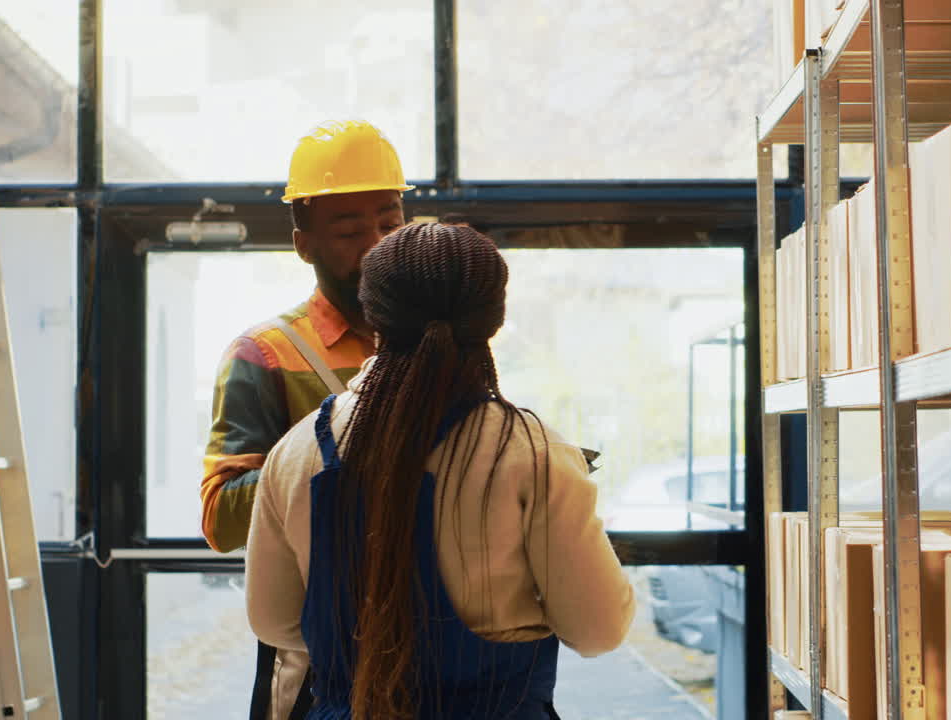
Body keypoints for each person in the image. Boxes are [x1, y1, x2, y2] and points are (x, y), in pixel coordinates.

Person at [245, 223, 635, 719]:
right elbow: (599, 629)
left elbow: (275, 621)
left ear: (374, 315)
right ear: (492, 320)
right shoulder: (532, 452)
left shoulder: (297, 452)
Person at [199, 119, 412, 719]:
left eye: (390, 223)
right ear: (304, 244)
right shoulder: (264, 356)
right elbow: (220, 520)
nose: (376, 244)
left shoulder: (438, 344)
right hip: (313, 657)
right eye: (348, 230)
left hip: (431, 643)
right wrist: (335, 455)